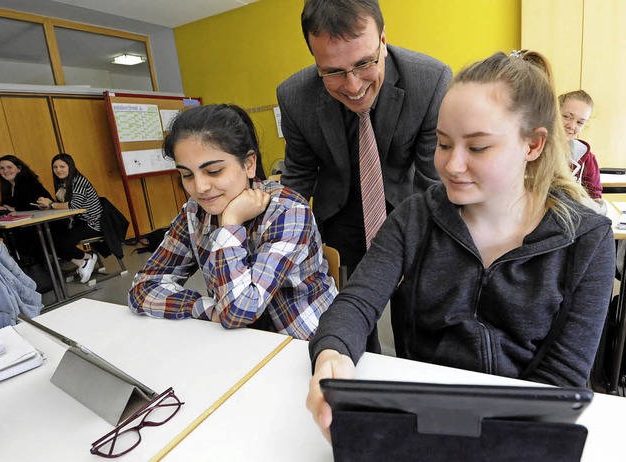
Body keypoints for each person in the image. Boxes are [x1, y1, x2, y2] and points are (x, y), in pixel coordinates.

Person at [306, 50, 615, 441]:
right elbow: (356, 304)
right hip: (421, 416)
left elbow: (563, 378)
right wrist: (331, 355)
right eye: (444, 144)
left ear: (533, 145)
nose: (452, 165)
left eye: (478, 147)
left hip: (520, 429)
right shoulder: (415, 216)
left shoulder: (588, 240)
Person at [128, 104, 337, 340]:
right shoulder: (195, 213)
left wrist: (230, 223)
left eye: (214, 171)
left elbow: (239, 311)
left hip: (304, 342)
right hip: (235, 341)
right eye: (186, 175)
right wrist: (205, 308)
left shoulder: (287, 211)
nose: (200, 187)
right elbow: (142, 288)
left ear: (248, 164)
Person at [277, 0, 452, 276]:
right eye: (333, 71)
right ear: (315, 59)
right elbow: (299, 175)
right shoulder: (294, 97)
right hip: (338, 213)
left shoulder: (429, 82)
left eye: (364, 63)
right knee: (346, 305)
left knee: (413, 305)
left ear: (383, 41)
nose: (354, 86)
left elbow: (433, 181)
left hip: (407, 207)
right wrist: (279, 241)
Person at [36, 153, 102, 284]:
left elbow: (74, 205)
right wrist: (49, 207)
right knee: (48, 242)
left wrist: (51, 204)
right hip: (77, 222)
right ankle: (85, 260)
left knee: (59, 243)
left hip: (92, 223)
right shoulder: (63, 183)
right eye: (55, 167)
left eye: (62, 166)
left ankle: (86, 260)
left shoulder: (79, 181)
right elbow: (65, 206)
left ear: (70, 166)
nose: (58, 170)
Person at [0, 155, 53, 256]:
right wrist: (5, 208)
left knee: (16, 236)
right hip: (25, 222)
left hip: (45, 223)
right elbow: (6, 204)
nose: (5, 171)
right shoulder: (7, 185)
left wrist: (13, 208)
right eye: (2, 168)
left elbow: (31, 205)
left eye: (9, 167)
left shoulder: (27, 180)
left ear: (19, 168)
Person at [559, 90, 602, 199]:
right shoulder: (532, 148)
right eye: (567, 116)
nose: (572, 126)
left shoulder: (587, 159)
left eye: (580, 122)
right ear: (554, 113)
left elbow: (596, 199)